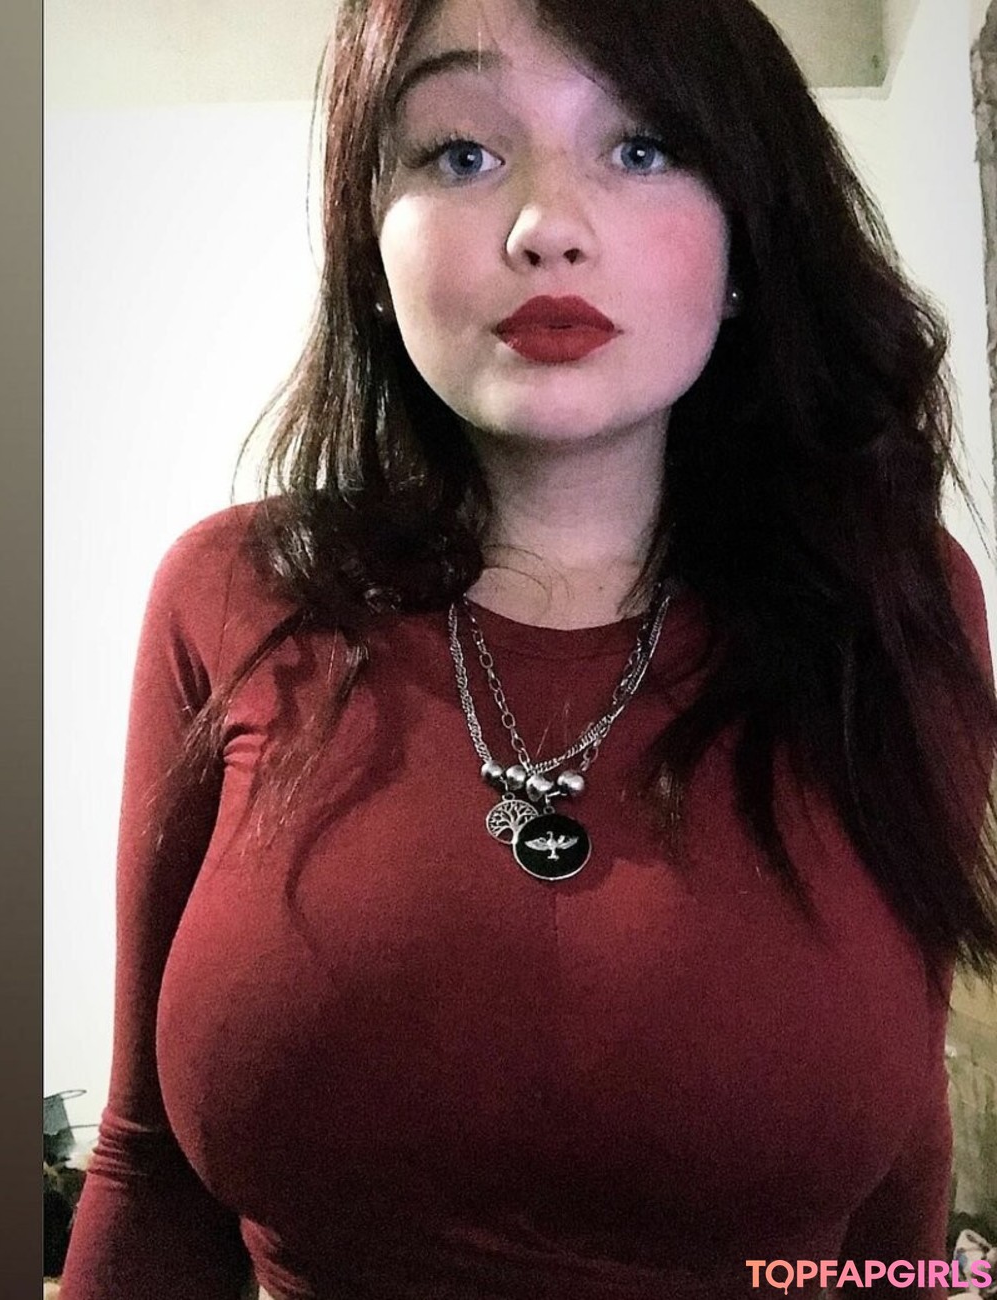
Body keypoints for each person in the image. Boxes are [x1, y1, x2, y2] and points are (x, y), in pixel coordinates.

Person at [58, 0, 997, 1296]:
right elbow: (145, 1166)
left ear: (745, 242)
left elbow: (896, 1179)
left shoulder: (896, 607)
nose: (547, 225)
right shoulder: (229, 594)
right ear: (368, 244)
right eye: (462, 152)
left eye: (643, 147)